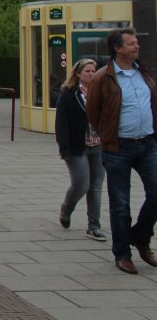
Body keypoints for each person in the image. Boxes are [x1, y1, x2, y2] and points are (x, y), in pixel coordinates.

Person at [86, 27, 157, 275]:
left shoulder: (143, 72)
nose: (137, 46)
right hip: (118, 147)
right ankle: (122, 254)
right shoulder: (103, 77)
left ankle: (140, 236)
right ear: (117, 48)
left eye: (136, 42)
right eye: (131, 43)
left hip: (148, 144)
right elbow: (93, 112)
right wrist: (107, 136)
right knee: (120, 203)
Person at [56, 58, 105, 241]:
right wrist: (64, 147)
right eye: (88, 71)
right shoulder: (69, 94)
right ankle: (66, 209)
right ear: (78, 73)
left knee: (96, 186)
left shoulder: (101, 92)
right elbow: (62, 122)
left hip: (99, 145)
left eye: (94, 71)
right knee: (81, 184)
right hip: (78, 147)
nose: (92, 74)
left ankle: (94, 226)